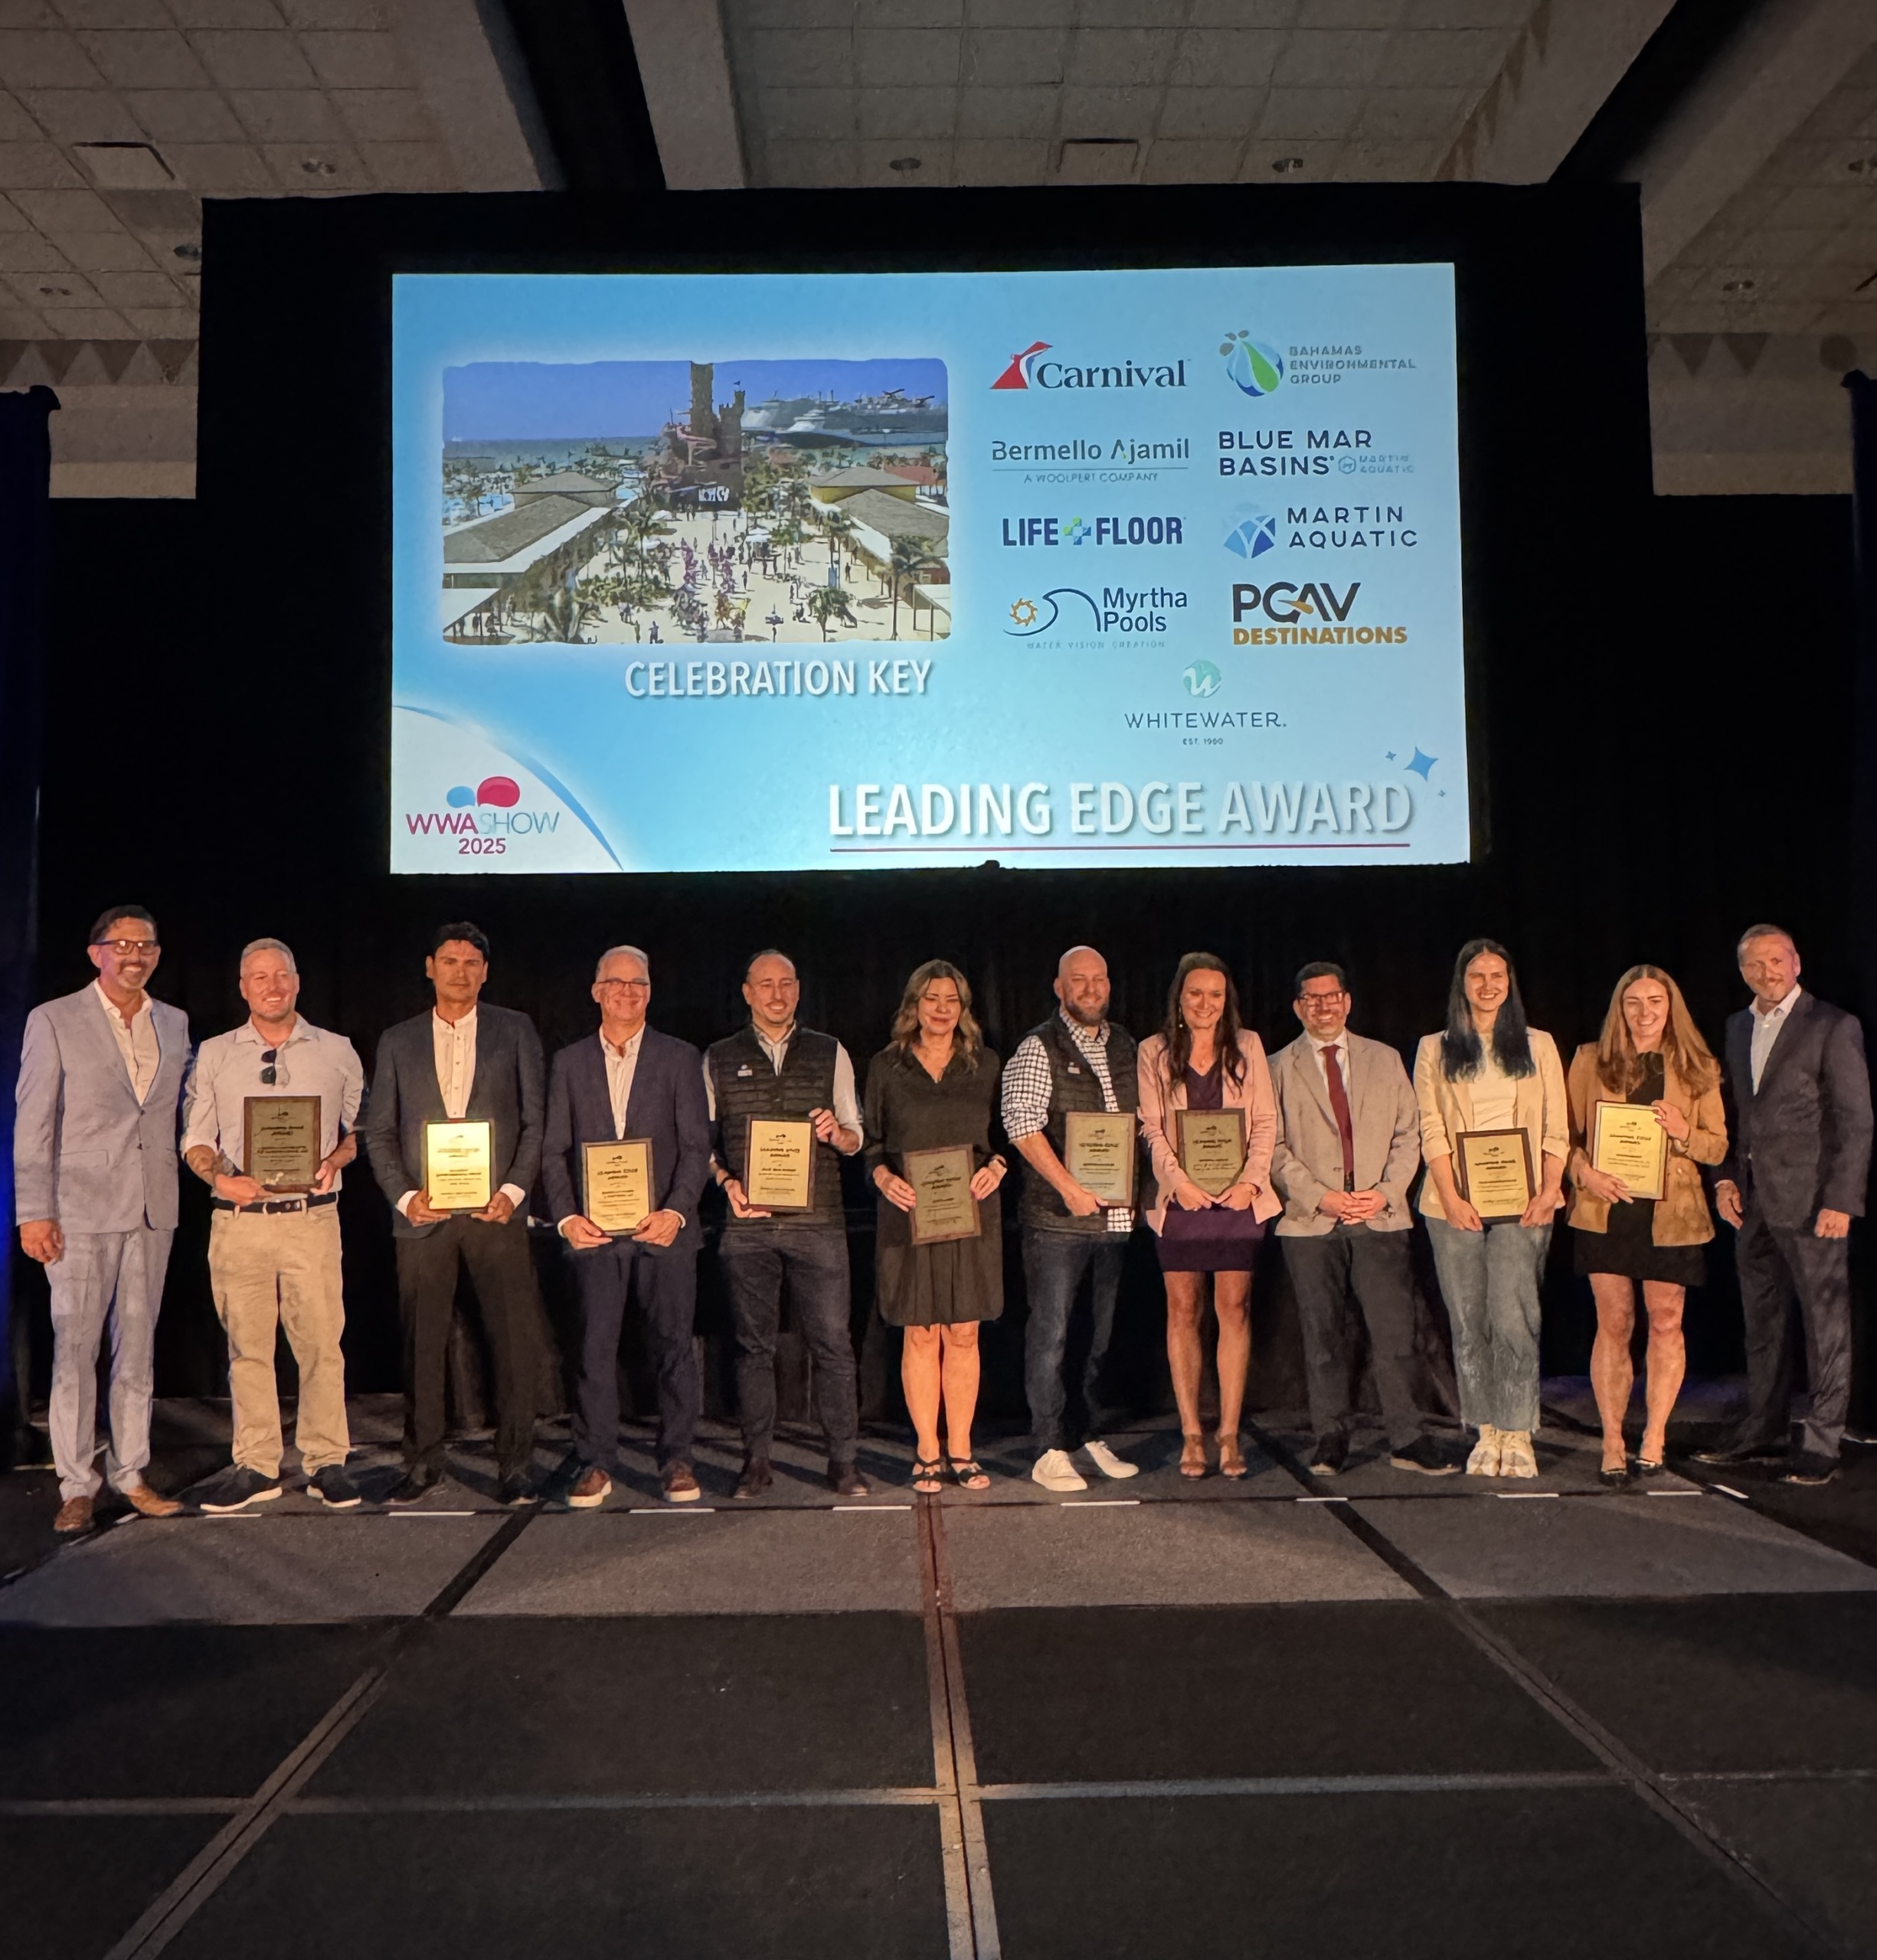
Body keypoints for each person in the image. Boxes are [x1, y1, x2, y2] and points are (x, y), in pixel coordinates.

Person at [14, 906, 188, 1534]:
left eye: (145, 944)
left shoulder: (175, 1021)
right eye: (121, 944)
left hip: (152, 1208)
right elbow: (34, 1123)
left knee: (137, 1351)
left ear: (157, 955)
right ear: (97, 954)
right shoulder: (55, 1019)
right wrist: (34, 1211)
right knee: (76, 1351)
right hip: (79, 1211)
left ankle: (131, 1474)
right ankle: (76, 1485)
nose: (134, 954)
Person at [364, 921, 545, 1505]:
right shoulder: (397, 1040)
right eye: (449, 961)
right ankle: (422, 1462)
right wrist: (404, 1196)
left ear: (485, 971)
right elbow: (380, 1130)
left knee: (513, 1342)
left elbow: (537, 1122)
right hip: (423, 1215)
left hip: (497, 1214)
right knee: (423, 1342)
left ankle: (515, 1464)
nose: (460, 972)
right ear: (429, 967)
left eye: (471, 962)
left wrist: (514, 1191)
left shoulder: (515, 1031)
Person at [181, 939, 366, 1512]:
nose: (272, 986)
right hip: (240, 1223)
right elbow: (194, 1139)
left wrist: (336, 1159)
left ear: (297, 981)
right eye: (259, 977)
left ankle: (326, 1460)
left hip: (311, 1219)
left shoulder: (337, 1050)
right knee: (248, 1349)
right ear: (243, 988)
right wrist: (220, 1179)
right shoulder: (214, 1053)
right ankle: (258, 1464)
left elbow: (361, 1130)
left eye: (281, 974)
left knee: (320, 1346)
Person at [1695, 926, 1872, 1485]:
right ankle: (1762, 1427)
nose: (1766, 972)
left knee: (1825, 1326)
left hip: (1812, 1204)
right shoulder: (1736, 1025)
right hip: (1752, 1204)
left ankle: (1821, 1440)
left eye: (1776, 960)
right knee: (1762, 1324)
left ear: (1796, 962)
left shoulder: (1832, 1026)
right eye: (1754, 964)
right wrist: (1724, 1179)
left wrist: (1841, 1200)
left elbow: (1856, 1120)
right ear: (1742, 970)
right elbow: (1736, 1113)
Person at [1269, 962, 1451, 1477]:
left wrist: (1384, 1192)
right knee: (1323, 1334)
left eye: (1332, 997)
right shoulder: (1275, 1067)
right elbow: (1270, 1146)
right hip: (1309, 1220)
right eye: (1312, 999)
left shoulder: (1385, 1059)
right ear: (1298, 1007)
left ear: (1347, 1002)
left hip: (1379, 1215)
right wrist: (1320, 1196)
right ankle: (1330, 1436)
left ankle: (1408, 1438)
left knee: (1394, 1333)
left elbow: (1408, 1135)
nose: (1323, 1007)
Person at [545, 946, 710, 1507]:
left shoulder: (680, 1058)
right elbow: (552, 1152)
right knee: (594, 1352)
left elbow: (695, 1148)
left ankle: (678, 1459)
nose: (626, 992)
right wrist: (567, 1218)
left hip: (662, 1230)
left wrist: (676, 1211)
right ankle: (595, 1462)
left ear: (649, 991)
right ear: (596, 992)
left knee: (673, 1349)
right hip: (594, 1235)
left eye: (637, 983)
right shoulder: (568, 1063)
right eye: (615, 983)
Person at [705, 949, 867, 1498]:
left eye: (786, 984)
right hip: (747, 1226)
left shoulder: (830, 1052)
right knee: (754, 1348)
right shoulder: (718, 1057)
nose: (777, 994)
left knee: (833, 1347)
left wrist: (834, 1134)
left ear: (798, 990)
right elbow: (700, 1146)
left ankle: (843, 1462)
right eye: (765, 984)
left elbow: (855, 1137)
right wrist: (727, 1184)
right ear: (747, 993)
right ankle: (756, 1461)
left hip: (817, 1222)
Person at [1565, 965, 1726, 1485]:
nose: (1644, 1012)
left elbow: (1717, 1145)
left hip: (1671, 1215)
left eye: (1654, 1001)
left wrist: (1682, 1133)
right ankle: (1612, 1439)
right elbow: (1561, 1138)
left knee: (1664, 1321)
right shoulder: (1590, 1060)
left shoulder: (1697, 1066)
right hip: (1606, 1209)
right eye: (1632, 1002)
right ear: (1619, 1008)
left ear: (1670, 1006)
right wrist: (1584, 1170)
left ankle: (1653, 1435)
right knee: (1613, 1323)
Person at [1414, 939, 1568, 1480]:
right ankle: (1484, 1431)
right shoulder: (1434, 1048)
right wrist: (1452, 1198)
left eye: (1496, 975)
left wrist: (1549, 1189)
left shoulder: (1538, 1044)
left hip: (1523, 1201)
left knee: (1513, 1317)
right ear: (1461, 984)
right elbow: (1429, 1127)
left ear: (1509, 983)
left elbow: (1555, 1126)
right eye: (1476, 976)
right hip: (1452, 1203)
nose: (1486, 986)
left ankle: (1517, 1431)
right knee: (1468, 1319)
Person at [865, 961, 1009, 1491]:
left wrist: (997, 1167)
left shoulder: (986, 1065)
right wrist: (881, 1177)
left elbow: (1003, 1140)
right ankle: (927, 1451)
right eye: (931, 999)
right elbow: (872, 1143)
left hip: (972, 1213)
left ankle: (963, 1451)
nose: (941, 1008)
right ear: (914, 1006)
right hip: (908, 1215)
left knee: (964, 1333)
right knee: (921, 1333)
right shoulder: (886, 1066)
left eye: (951, 999)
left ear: (963, 1008)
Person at [1001, 945, 1140, 1492]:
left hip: (1114, 1217)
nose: (1089, 989)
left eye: (1098, 979)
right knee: (1052, 1334)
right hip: (1057, 1219)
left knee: (1098, 1334)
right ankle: (1047, 1446)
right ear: (1058, 988)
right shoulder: (1038, 1047)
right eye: (1076, 980)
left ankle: (1084, 1433)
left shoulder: (1126, 1044)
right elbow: (1020, 1124)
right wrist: (1069, 1187)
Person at [1137, 952, 1280, 1479]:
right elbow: (1150, 1127)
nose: (1205, 1004)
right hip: (1182, 1202)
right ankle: (1192, 1434)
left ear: (1228, 1000)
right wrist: (1179, 1183)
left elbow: (1265, 1121)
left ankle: (1228, 1433)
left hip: (1239, 1201)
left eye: (1215, 995)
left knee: (1234, 1308)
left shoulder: (1248, 1047)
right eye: (1195, 993)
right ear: (1179, 997)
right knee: (1181, 1311)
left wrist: (1249, 1182)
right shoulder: (1152, 1052)